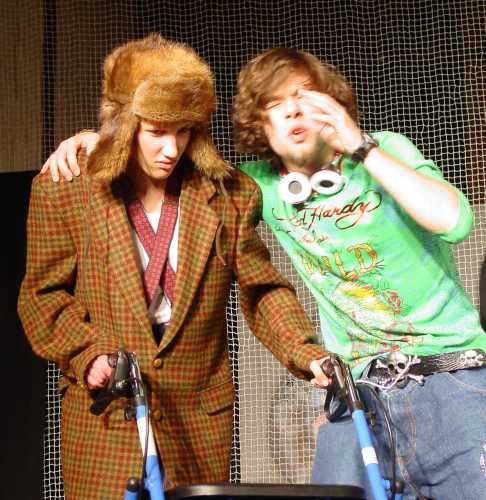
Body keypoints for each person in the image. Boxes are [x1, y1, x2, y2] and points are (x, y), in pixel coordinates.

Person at [44, 46, 486, 499]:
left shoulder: (384, 150)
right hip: (358, 388)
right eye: (275, 104)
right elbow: (179, 166)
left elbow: (453, 221)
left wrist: (360, 145)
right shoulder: (257, 187)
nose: (292, 110)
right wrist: (106, 138)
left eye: (304, 96)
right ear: (260, 126)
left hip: (451, 372)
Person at [18, 36, 331, 499]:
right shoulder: (64, 189)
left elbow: (262, 289)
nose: (171, 148)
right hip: (106, 417)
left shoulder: (230, 195)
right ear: (125, 123)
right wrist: (88, 355)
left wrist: (307, 352)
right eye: (157, 132)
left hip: (197, 422)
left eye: (184, 131)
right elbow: (41, 296)